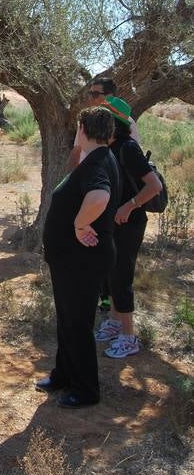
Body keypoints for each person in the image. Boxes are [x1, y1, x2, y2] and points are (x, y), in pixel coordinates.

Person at [38, 106, 119, 408]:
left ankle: (86, 390)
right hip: (71, 260)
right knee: (68, 319)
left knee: (78, 323)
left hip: (83, 260)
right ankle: (63, 375)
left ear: (82, 130)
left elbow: (99, 197)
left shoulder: (98, 162)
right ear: (109, 133)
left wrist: (79, 224)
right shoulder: (97, 157)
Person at [95, 96, 162, 359]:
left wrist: (129, 206)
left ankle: (129, 336)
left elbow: (153, 186)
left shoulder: (127, 148)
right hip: (113, 223)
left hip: (129, 223)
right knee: (110, 273)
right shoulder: (108, 147)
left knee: (122, 276)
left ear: (113, 122)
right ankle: (114, 322)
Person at [67, 77, 140, 172]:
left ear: (110, 96)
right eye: (90, 94)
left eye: (95, 94)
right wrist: (70, 180)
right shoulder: (86, 121)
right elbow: (76, 152)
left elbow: (133, 157)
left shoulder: (128, 123)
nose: (90, 98)